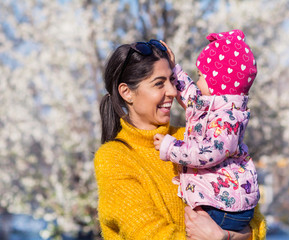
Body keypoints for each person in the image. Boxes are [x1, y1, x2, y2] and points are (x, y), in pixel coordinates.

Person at [94, 38, 266, 239]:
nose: (173, 91)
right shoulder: (114, 158)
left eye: (171, 80)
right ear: (127, 92)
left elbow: (254, 220)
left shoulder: (193, 141)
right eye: (159, 83)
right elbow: (148, 233)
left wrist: (224, 237)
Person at [154, 29, 259, 232]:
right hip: (221, 202)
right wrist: (174, 69)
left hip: (224, 209)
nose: (198, 81)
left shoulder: (227, 118)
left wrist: (170, 147)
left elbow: (207, 153)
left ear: (218, 82)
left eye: (201, 76)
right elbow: (191, 97)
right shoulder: (216, 107)